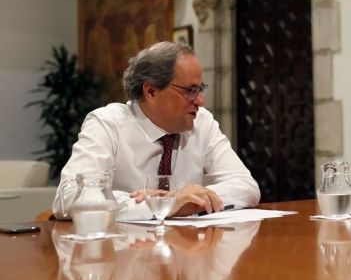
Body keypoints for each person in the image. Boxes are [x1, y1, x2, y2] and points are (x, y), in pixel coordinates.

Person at [53, 41, 260, 220]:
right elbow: (70, 197)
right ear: (151, 91)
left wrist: (189, 198)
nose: (201, 101)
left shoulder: (202, 122)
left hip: (187, 254)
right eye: (190, 91)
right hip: (124, 256)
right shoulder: (107, 124)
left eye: (200, 89)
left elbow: (246, 186)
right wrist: (166, 203)